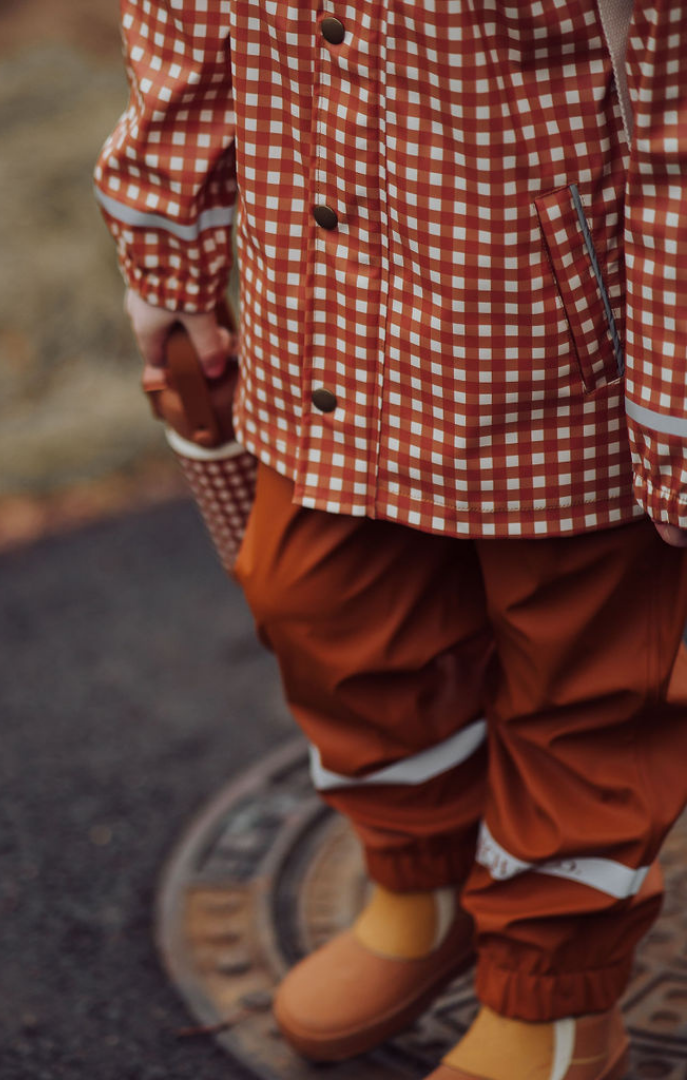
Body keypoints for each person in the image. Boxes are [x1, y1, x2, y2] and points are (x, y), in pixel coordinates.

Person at [95, 2, 687, 1078]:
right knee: (324, 610)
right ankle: (424, 884)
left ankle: (554, 1000)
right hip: (319, 321)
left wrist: (675, 394)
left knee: (588, 687)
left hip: (565, 358)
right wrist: (167, 245)